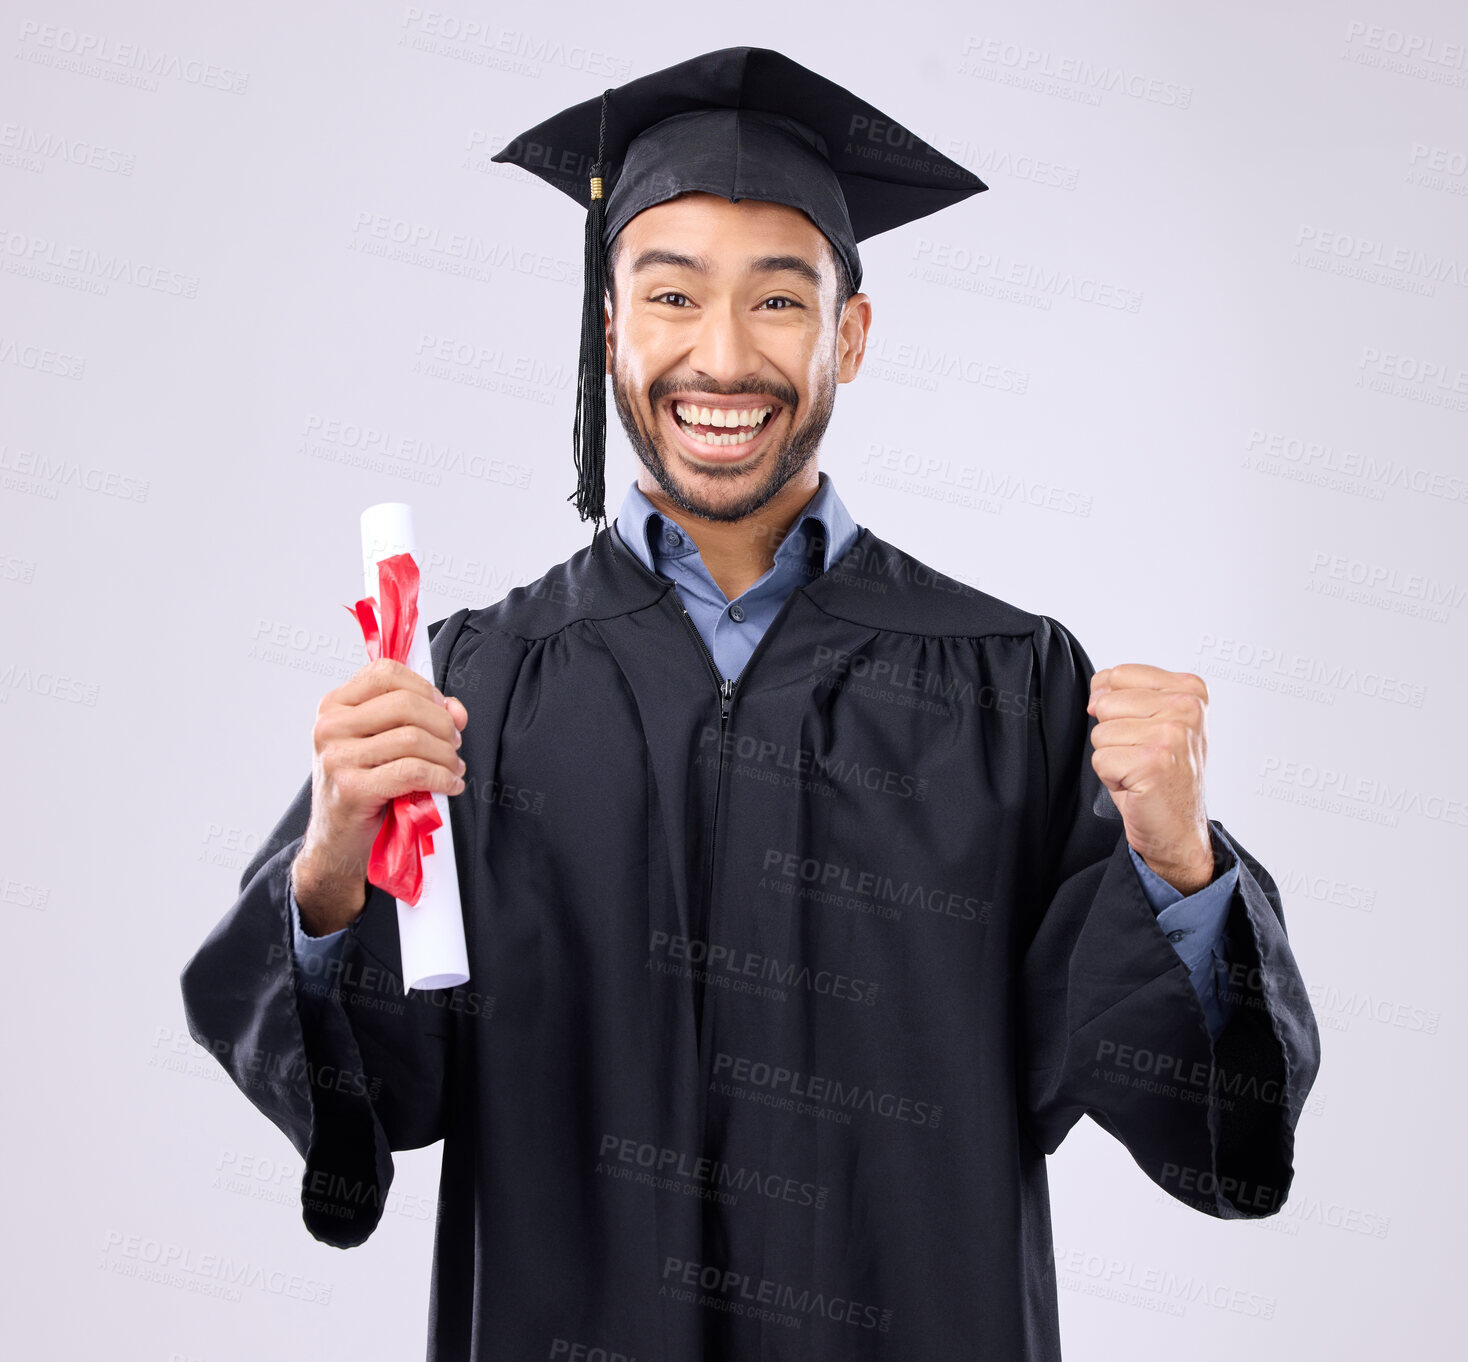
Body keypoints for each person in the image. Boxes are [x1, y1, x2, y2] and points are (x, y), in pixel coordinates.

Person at [180, 46, 1321, 1361]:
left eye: (780, 301)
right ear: (611, 325)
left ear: (849, 330)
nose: (721, 355)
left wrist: (1178, 858)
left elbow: (1210, 1119)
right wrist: (330, 870)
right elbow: (369, 1107)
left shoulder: (1010, 685)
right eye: (670, 294)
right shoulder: (468, 691)